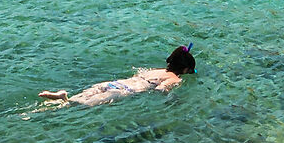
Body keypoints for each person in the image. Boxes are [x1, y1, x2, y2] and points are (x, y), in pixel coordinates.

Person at [40, 44, 195, 108]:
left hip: (114, 84)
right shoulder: (175, 78)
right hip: (122, 92)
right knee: (82, 106)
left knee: (77, 100)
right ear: (185, 69)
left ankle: (63, 97)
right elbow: (160, 89)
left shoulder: (155, 70)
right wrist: (173, 99)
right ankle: (63, 99)